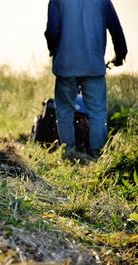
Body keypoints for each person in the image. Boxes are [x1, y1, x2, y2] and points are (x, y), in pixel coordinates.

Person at [45, 0, 127, 160]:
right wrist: (120, 55)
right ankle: (97, 156)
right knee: (97, 113)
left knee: (64, 112)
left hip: (65, 66)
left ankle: (69, 153)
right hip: (93, 66)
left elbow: (52, 31)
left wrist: (53, 50)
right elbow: (116, 29)